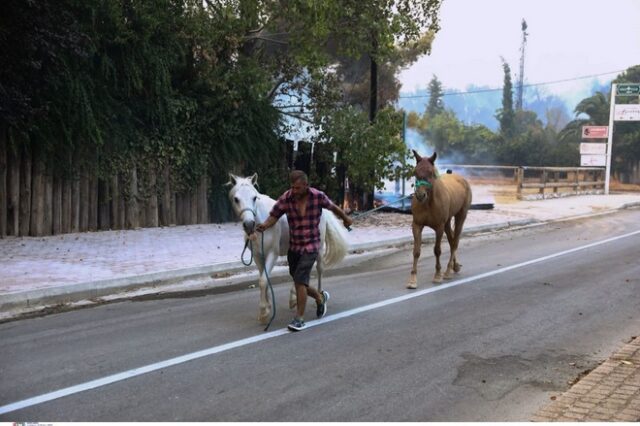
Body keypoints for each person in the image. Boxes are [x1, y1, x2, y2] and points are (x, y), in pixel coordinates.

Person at [254, 170, 353, 331]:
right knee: (300, 282)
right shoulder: (287, 198)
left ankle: (299, 318)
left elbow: (333, 208)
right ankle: (320, 298)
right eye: (292, 187)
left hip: (311, 246)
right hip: (295, 247)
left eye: (298, 188)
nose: (294, 191)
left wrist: (346, 218)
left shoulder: (317, 196)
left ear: (306, 186)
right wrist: (265, 225)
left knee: (300, 281)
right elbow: (274, 215)